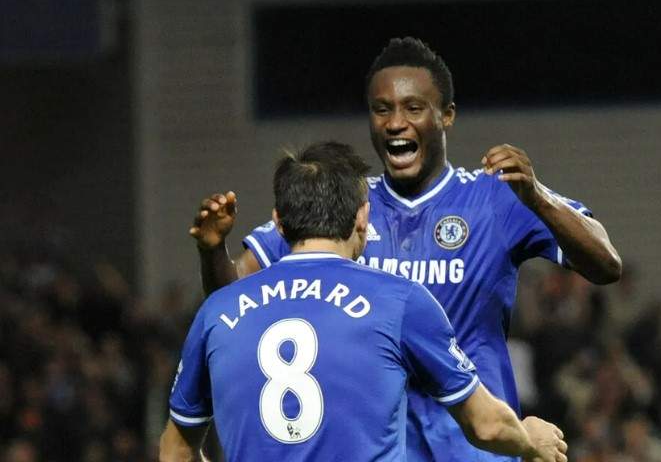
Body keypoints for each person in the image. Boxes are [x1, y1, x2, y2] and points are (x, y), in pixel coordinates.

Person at [189, 38, 620, 461]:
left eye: (413, 108)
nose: (396, 122)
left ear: (446, 115)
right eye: (382, 109)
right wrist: (213, 251)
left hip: (479, 447)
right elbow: (236, 304)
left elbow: (605, 264)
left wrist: (538, 196)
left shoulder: (495, 199)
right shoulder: (343, 206)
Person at [160, 142, 568, 462]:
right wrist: (529, 440)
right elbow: (486, 427)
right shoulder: (399, 301)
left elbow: (175, 450)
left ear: (278, 221)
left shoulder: (219, 310)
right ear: (362, 217)